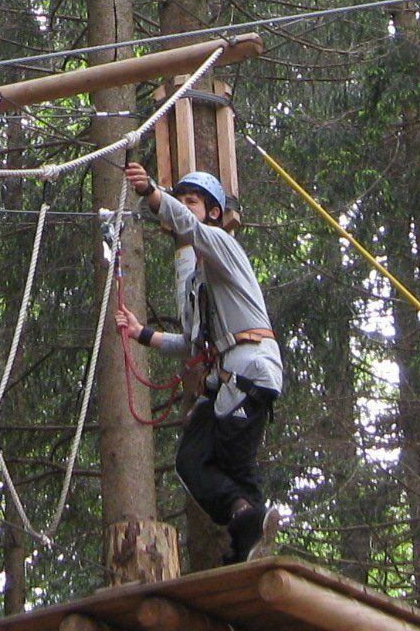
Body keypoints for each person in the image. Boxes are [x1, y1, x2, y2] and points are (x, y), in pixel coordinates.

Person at [114, 158, 284, 563]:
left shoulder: (224, 246)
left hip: (252, 370)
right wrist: (142, 334)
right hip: (228, 379)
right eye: (182, 200)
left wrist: (152, 193)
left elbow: (190, 227)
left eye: (193, 201)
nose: (185, 207)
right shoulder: (198, 281)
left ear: (214, 212)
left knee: (235, 465)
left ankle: (246, 538)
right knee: (192, 462)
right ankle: (246, 526)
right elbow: (194, 345)